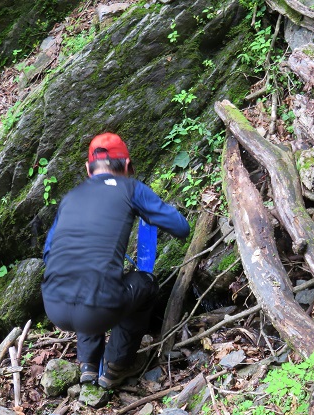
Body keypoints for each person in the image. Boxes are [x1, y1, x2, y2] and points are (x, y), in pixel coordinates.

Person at [42, 132, 190, 389]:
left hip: (53, 306)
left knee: (91, 276)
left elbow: (49, 253)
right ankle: (115, 367)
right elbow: (180, 227)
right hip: (98, 309)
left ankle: (88, 363)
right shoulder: (131, 188)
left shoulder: (70, 198)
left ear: (88, 169)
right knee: (145, 283)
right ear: (128, 166)